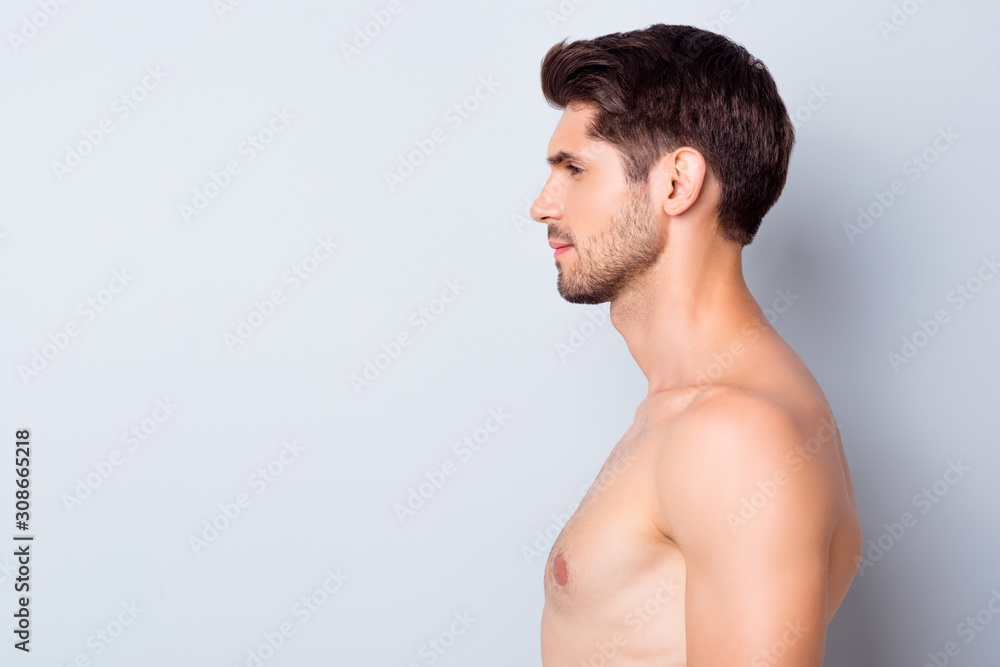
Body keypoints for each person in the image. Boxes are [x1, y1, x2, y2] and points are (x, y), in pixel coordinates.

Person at [530, 24, 862, 666]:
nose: (542, 205)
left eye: (574, 169)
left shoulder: (734, 434)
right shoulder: (691, 413)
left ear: (677, 182)